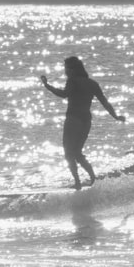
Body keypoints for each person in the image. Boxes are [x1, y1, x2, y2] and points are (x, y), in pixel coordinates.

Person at [40, 56, 125, 190]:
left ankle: (78, 183)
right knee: (77, 152)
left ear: (73, 70)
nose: (65, 71)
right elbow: (104, 102)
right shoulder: (92, 83)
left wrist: (47, 85)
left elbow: (64, 94)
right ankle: (92, 179)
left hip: (73, 119)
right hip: (86, 120)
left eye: (67, 68)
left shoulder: (73, 81)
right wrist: (115, 116)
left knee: (69, 153)